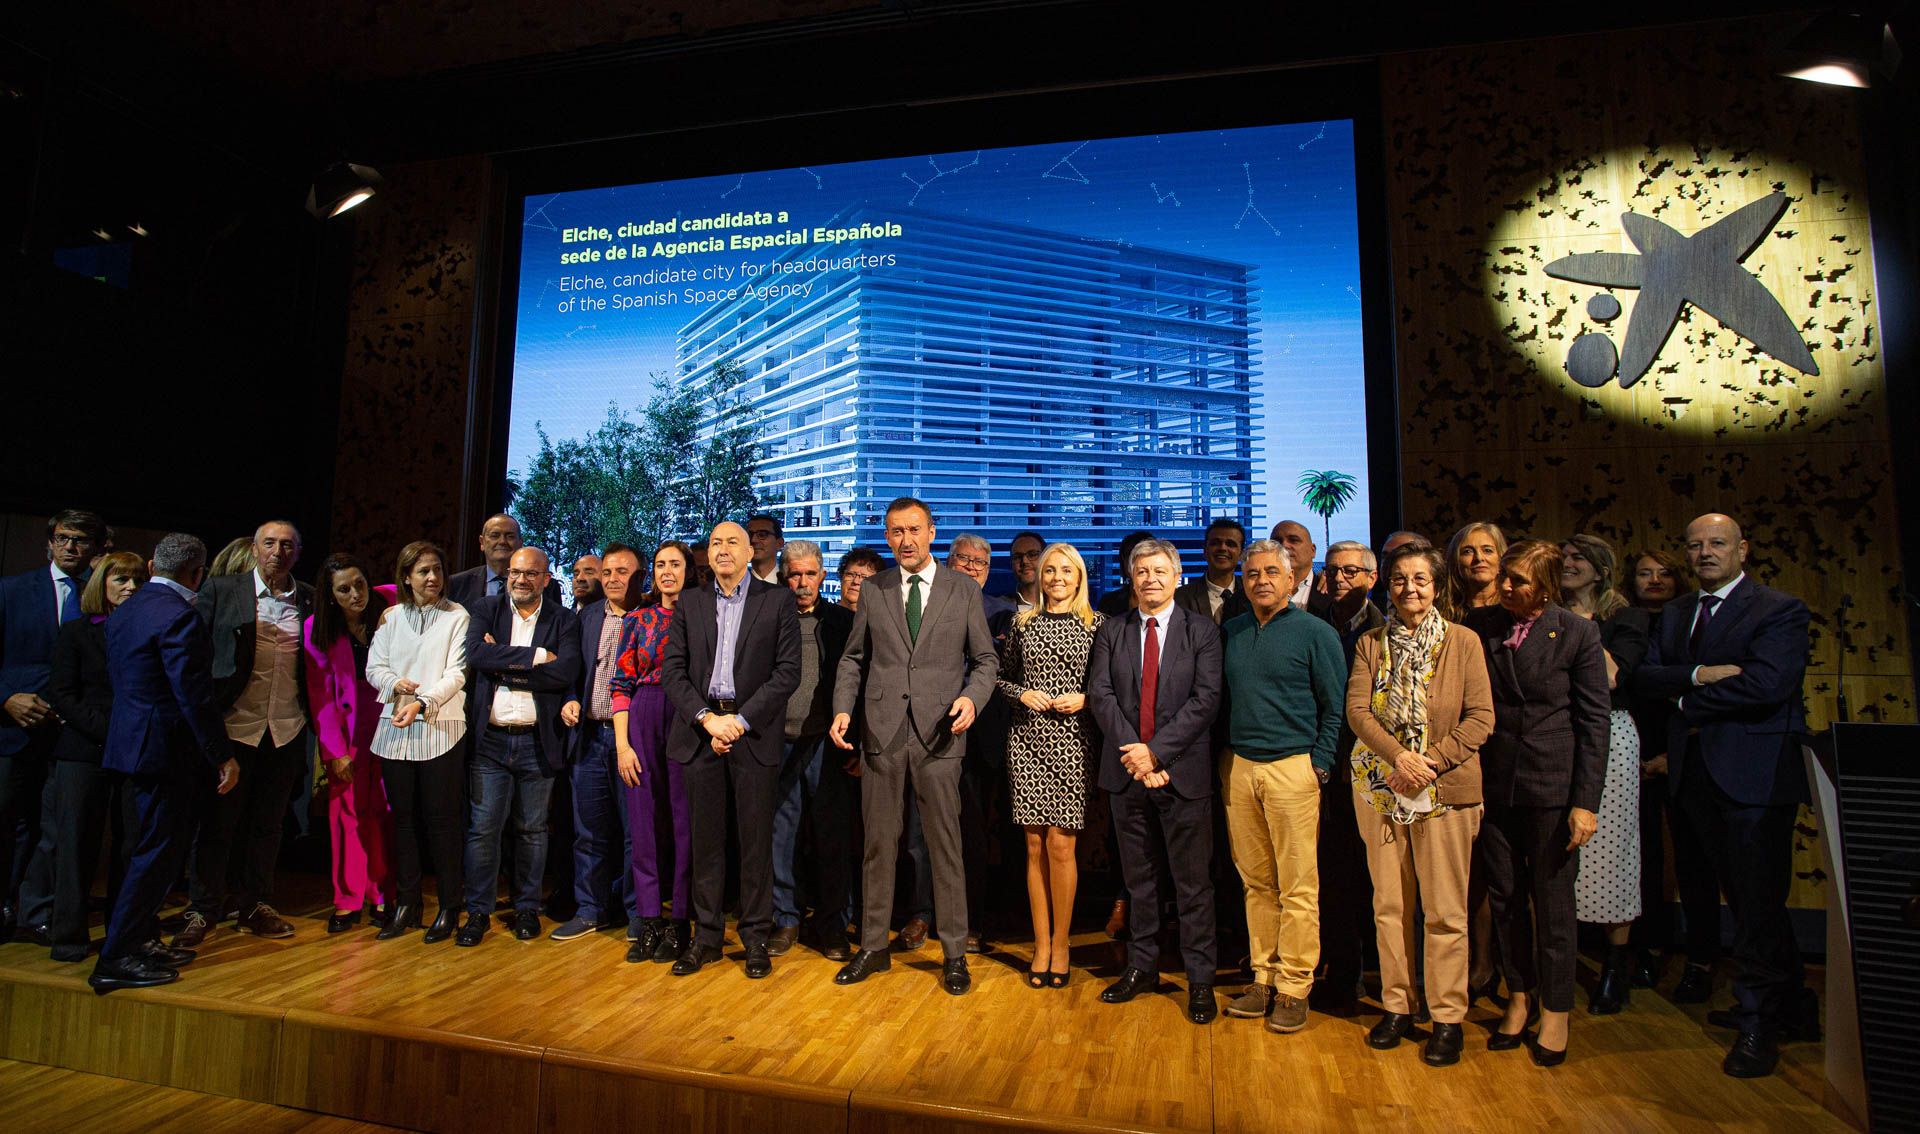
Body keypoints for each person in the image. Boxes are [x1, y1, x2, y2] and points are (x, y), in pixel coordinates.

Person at [1635, 514, 1812, 1078]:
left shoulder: (1778, 609)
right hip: (1695, 778)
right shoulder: (1681, 612)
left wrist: (1685, 698)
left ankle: (1761, 1022)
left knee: (1757, 902)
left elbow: (1768, 685)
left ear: (1743, 549)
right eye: (1695, 545)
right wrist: (1702, 676)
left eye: (1716, 543)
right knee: (1743, 897)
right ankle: (1794, 1006)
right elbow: (1645, 677)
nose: (1705, 553)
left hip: (1755, 778)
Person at [830, 497, 998, 995]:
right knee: (878, 845)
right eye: (896, 532)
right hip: (881, 731)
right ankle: (873, 947)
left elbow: (985, 661)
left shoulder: (962, 589)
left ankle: (953, 954)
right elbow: (853, 659)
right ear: (888, 537)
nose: (905, 540)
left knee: (945, 847)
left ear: (931, 533)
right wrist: (843, 708)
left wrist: (971, 698)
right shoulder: (875, 589)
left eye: (914, 530)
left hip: (942, 733)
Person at [1346, 542, 1494, 1066]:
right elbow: (1359, 712)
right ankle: (1397, 1006)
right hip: (1380, 787)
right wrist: (1398, 760)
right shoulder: (1370, 643)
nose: (1410, 589)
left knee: (1446, 912)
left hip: (1447, 790)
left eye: (1420, 580)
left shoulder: (1465, 642)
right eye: (1400, 580)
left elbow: (1481, 719)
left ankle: (1448, 1016)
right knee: (1389, 907)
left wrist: (1427, 762)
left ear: (1436, 586)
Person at [1465, 540, 1610, 1067]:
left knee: (1552, 906)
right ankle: (1519, 997)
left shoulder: (1577, 633)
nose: (1505, 586)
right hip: (1495, 786)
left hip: (1552, 790)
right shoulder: (1483, 627)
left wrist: (1585, 802)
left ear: (1546, 587)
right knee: (1504, 899)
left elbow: (1594, 723)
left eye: (1518, 580)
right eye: (1505, 576)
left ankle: (1556, 1010)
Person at [92, 534, 240, 993]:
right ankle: (116, 956)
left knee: (147, 851)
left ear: (155, 563)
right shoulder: (180, 616)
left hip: (130, 745)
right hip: (164, 751)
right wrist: (223, 755)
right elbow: (192, 695)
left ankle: (139, 941)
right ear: (198, 573)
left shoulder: (128, 609)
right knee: (157, 855)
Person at [1087, 537, 1223, 1023]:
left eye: (1159, 570)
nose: (1150, 578)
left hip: (1182, 775)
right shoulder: (1113, 630)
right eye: (1141, 571)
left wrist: (1157, 752)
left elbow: (1206, 700)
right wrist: (1136, 756)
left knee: (1192, 885)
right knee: (1139, 881)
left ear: (1177, 573)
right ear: (1131, 577)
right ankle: (1142, 967)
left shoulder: (1201, 631)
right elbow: (1101, 695)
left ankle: (1200, 978)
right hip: (1127, 775)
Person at [1217, 539, 1346, 1035]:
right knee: (1256, 884)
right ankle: (1263, 978)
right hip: (1240, 767)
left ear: (1293, 580)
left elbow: (1334, 706)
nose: (1262, 580)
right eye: (1253, 574)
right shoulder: (1231, 631)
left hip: (1294, 769)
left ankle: (1295, 986)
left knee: (1298, 887)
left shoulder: (1316, 633)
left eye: (1273, 572)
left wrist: (1319, 765)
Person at [660, 521, 799, 978]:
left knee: (755, 843)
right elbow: (674, 672)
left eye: (732, 542)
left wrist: (737, 723)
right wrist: (707, 720)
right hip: (702, 733)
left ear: (750, 551)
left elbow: (786, 674)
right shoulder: (692, 602)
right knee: (706, 843)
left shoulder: (776, 601)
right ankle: (707, 938)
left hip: (751, 733)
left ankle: (756, 937)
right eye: (716, 542)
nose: (723, 549)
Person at [177, 520, 313, 946]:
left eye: (287, 545)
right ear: (254, 549)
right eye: (269, 544)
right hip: (234, 725)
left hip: (286, 727)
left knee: (269, 824)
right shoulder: (221, 589)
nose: (278, 551)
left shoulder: (308, 598)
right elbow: (194, 656)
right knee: (218, 823)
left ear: (298, 551)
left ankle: (255, 902)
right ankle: (202, 908)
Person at [456, 547, 581, 945]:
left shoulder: (563, 619)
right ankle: (478, 912)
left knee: (532, 831)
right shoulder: (486, 609)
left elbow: (565, 672)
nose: (521, 580)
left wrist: (505, 667)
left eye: (530, 574)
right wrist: (537, 657)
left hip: (536, 741)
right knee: (483, 830)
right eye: (515, 573)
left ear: (546, 579)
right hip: (490, 740)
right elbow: (475, 654)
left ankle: (527, 908)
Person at [996, 542, 1102, 987]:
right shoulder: (1022, 623)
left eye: (1066, 570)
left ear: (1079, 577)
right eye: (1049, 570)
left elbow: (1113, 686)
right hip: (1026, 740)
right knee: (1034, 847)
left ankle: (1063, 944)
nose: (1057, 577)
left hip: (1074, 744)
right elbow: (999, 677)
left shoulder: (1098, 625)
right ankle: (1040, 944)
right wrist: (1020, 693)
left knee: (1062, 846)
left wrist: (1088, 697)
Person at [1, 508, 105, 944]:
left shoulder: (100, 598)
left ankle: (40, 911)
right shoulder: (13, 590)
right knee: (8, 819)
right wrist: (6, 697)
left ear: (97, 548)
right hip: (15, 727)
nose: (70, 547)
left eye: (81, 540)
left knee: (59, 828)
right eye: (63, 538)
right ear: (49, 541)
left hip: (72, 733)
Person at [41, 551, 145, 961]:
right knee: (75, 844)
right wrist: (105, 729)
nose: (130, 588)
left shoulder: (148, 631)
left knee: (130, 845)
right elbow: (61, 693)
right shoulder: (78, 632)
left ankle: (122, 937)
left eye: (138, 580)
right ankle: (68, 937)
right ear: (101, 583)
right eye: (121, 579)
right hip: (84, 748)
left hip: (134, 750)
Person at [1561, 534, 1649, 1013]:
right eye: (1565, 557)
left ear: (1601, 568)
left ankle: (1617, 967)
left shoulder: (1625, 618)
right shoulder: (1548, 612)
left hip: (1611, 736)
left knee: (1611, 851)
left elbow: (1613, 676)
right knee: (1558, 850)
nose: (1569, 564)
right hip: (1559, 734)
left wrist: (1581, 625)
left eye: (1579, 559)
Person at [366, 541, 470, 944]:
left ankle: (449, 905)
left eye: (437, 570)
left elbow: (457, 671)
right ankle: (407, 903)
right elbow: (375, 666)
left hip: (440, 725)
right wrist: (395, 685)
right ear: (405, 577)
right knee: (404, 820)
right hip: (395, 725)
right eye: (423, 571)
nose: (432, 578)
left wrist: (424, 701)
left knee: (442, 820)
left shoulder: (456, 616)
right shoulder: (391, 618)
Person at [1625, 548, 1715, 999]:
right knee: (1641, 861)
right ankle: (1646, 948)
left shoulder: (1690, 623)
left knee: (1696, 862)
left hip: (1687, 752)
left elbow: (1694, 688)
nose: (1654, 580)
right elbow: (1640, 683)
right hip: (1630, 757)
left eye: (1663, 573)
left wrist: (1670, 757)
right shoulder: (1625, 623)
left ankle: (1700, 960)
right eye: (1644, 573)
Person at [768, 540, 857, 961]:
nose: (802, 583)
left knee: (831, 839)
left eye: (810, 574)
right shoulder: (768, 618)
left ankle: (831, 925)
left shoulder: (843, 621)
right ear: (784, 577)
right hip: (777, 744)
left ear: (823, 576)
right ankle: (785, 918)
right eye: (794, 575)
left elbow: (860, 682)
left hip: (827, 744)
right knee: (779, 838)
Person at [551, 543, 642, 942]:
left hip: (633, 741)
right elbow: (571, 670)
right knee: (589, 831)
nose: (613, 580)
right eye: (607, 572)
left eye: (623, 572)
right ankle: (590, 909)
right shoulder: (586, 618)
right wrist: (570, 697)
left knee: (634, 832)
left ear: (639, 577)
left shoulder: (651, 618)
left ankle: (635, 912)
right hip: (588, 739)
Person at [1309, 539, 1385, 1015]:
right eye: (1333, 571)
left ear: (1372, 578)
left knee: (1381, 881)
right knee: (1335, 878)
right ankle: (1343, 974)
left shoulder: (1387, 630)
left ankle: (1390, 978)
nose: (1340, 579)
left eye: (1351, 571)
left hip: (1379, 770)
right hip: (1327, 770)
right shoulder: (1315, 626)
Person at [302, 552, 397, 934]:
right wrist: (335, 751)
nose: (356, 594)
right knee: (347, 814)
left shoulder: (389, 600)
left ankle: (382, 894)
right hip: (348, 729)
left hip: (392, 720)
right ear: (330, 596)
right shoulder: (316, 628)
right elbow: (319, 696)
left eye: (359, 583)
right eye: (345, 589)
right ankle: (347, 899)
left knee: (385, 810)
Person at [611, 541, 694, 964]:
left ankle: (680, 922)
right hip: (642, 715)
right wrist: (623, 745)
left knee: (683, 824)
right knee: (643, 825)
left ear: (688, 570)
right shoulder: (637, 619)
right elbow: (620, 685)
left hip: (687, 715)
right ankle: (648, 921)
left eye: (675, 564)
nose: (667, 571)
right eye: (660, 564)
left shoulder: (701, 616)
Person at [944, 533, 1013, 950]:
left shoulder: (1005, 614)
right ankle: (956, 919)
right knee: (955, 833)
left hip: (994, 737)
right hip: (941, 731)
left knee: (996, 833)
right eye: (964, 560)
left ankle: (998, 918)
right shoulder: (931, 605)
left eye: (980, 563)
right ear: (948, 563)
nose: (972, 568)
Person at [447, 513, 563, 612]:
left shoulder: (548, 586)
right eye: (495, 536)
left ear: (520, 543)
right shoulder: (456, 584)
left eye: (510, 536)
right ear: (482, 542)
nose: (502, 541)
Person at [1174, 518, 1250, 626]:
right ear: (1204, 550)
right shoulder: (1180, 598)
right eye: (1215, 543)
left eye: (1230, 544)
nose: (1223, 548)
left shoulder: (1251, 593)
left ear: (1241, 554)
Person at [1445, 522, 1507, 620]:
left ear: (1501, 558)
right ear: (1455, 561)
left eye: (1487, 550)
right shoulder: (1442, 614)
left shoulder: (1515, 609)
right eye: (1467, 552)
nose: (1479, 558)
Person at [1095, 531, 1156, 617]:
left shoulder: (1176, 602)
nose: (1136, 562)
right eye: (1130, 555)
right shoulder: (1108, 602)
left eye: (1141, 555)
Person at [1267, 521, 1320, 608]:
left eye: (1294, 540)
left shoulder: (1330, 591)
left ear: (1312, 550)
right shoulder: (1248, 594)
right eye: (1276, 542)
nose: (1284, 545)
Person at [1006, 531, 1045, 613]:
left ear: (1045, 558)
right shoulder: (999, 608)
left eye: (1032, 554)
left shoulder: (1064, 605)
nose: (1024, 561)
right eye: (1017, 557)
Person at [836, 547, 882, 612]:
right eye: (850, 574)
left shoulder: (884, 621)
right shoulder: (823, 617)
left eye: (865, 578)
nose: (856, 581)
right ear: (841, 577)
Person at [746, 514, 785, 585]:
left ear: (779, 543)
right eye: (749, 535)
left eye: (762, 535)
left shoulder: (792, 584)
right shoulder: (734, 585)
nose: (753, 540)